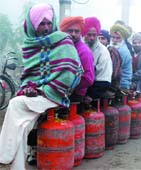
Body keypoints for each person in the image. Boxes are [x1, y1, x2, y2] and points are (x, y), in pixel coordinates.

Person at [0, 3, 83, 170]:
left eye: (48, 23)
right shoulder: (29, 44)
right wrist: (29, 87)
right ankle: (16, 166)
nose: (46, 28)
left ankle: (3, 155)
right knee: (23, 126)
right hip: (37, 95)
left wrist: (43, 89)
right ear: (32, 25)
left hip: (56, 94)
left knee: (16, 103)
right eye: (41, 24)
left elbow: (71, 73)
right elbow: (29, 76)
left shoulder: (63, 40)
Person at [60, 16, 95, 101]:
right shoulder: (62, 47)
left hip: (74, 95)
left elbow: (88, 79)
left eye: (77, 31)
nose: (73, 34)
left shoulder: (84, 51)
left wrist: (67, 84)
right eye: (70, 31)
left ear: (81, 33)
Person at [82, 17, 113, 99]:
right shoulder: (80, 47)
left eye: (94, 35)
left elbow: (104, 79)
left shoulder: (103, 51)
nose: (92, 38)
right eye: (89, 35)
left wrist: (90, 95)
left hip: (95, 91)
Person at [110, 24, 132, 92]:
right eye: (113, 37)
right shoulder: (114, 48)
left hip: (122, 85)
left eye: (118, 38)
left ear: (123, 39)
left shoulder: (123, 51)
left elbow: (115, 70)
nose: (115, 40)